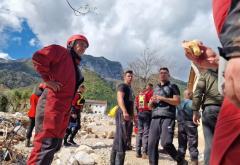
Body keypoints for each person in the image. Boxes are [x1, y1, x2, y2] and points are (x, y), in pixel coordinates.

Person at [184, 1, 240, 164]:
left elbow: (199, 91)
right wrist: (217, 61)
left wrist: (236, 47)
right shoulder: (206, 75)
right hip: (226, 105)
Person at [27, 34, 89, 165]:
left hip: (63, 111)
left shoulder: (75, 66)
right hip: (51, 106)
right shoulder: (61, 52)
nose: (83, 48)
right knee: (44, 145)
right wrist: (47, 80)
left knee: (54, 146)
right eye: (80, 44)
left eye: (85, 46)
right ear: (70, 44)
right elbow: (38, 57)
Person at [148, 67, 186, 165]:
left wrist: (162, 98)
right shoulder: (155, 88)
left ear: (168, 75)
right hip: (155, 117)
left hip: (168, 117)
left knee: (166, 143)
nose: (162, 74)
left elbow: (177, 101)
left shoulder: (173, 86)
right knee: (151, 144)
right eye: (161, 73)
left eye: (165, 73)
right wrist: (151, 102)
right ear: (158, 75)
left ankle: (180, 160)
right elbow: (149, 106)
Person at [110, 70, 134, 165]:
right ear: (124, 77)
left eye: (132, 76)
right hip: (122, 113)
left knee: (119, 137)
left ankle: (113, 162)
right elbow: (120, 99)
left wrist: (132, 116)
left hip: (128, 114)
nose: (130, 78)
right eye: (128, 76)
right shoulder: (122, 86)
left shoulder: (130, 88)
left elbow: (131, 103)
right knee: (122, 137)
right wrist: (124, 111)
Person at [177, 89, 198, 165]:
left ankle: (180, 161)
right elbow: (197, 115)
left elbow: (176, 115)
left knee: (181, 145)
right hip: (190, 124)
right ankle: (194, 161)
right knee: (192, 143)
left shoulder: (179, 104)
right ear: (189, 95)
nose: (193, 96)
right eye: (192, 94)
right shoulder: (192, 103)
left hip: (181, 124)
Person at [135, 83, 153, 159]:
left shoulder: (138, 96)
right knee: (146, 133)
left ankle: (137, 152)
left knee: (139, 133)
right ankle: (144, 152)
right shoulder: (150, 93)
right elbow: (151, 104)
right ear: (150, 87)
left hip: (139, 114)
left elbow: (136, 106)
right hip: (147, 114)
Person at [25, 83, 46, 147]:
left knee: (30, 128)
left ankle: (27, 142)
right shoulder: (42, 97)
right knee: (38, 129)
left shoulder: (33, 95)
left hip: (31, 114)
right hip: (39, 115)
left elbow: (31, 104)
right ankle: (36, 143)